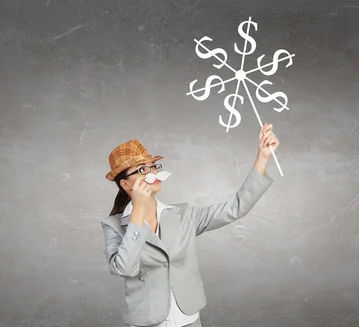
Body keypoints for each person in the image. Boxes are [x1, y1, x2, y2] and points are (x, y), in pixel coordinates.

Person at [101, 123, 279, 327]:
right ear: (125, 184)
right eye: (142, 169)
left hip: (188, 319)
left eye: (153, 166)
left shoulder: (184, 215)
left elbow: (235, 208)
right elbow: (125, 268)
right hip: (145, 322)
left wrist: (263, 157)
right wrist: (139, 209)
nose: (152, 173)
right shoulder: (113, 225)